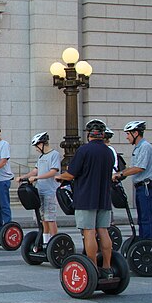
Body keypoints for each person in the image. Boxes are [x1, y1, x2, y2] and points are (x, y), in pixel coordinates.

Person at [55, 119, 114, 279]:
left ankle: (92, 267)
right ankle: (107, 267)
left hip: (86, 197)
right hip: (104, 197)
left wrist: (59, 176)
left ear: (89, 134)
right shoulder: (109, 152)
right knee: (103, 230)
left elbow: (71, 173)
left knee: (89, 231)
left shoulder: (84, 150)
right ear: (102, 135)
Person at [113, 120, 152, 239]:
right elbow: (133, 168)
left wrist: (120, 174)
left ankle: (149, 245)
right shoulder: (139, 147)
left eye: (128, 134)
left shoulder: (144, 147)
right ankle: (144, 242)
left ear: (136, 133)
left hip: (146, 187)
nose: (127, 137)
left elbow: (139, 168)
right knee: (142, 219)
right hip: (141, 187)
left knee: (146, 218)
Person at [16, 132, 61, 244]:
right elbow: (35, 170)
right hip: (40, 191)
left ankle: (55, 242)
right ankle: (46, 242)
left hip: (50, 192)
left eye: (36, 146)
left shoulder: (54, 154)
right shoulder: (41, 157)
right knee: (42, 219)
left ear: (42, 144)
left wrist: (37, 178)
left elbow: (53, 171)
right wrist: (24, 177)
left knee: (50, 219)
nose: (36, 149)